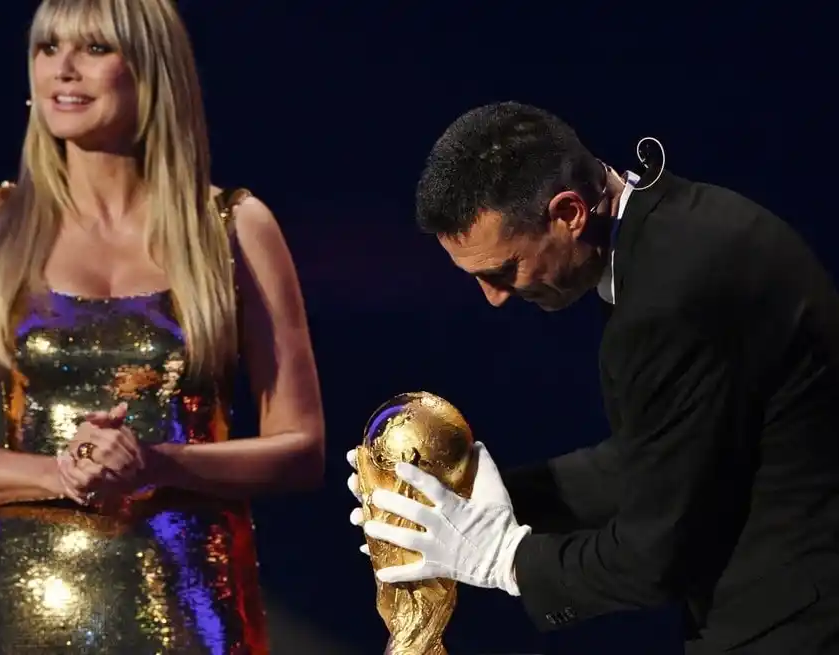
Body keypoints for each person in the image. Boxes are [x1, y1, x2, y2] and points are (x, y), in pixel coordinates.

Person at [347, 101, 839, 654]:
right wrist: (467, 497)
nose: (494, 298)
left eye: (504, 271)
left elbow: (656, 554)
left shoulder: (672, 296)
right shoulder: (673, 237)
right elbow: (659, 456)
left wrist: (504, 558)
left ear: (569, 213)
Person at [0, 0, 324, 652]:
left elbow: (301, 448)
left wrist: (156, 462)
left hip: (189, 596)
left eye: (95, 48)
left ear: (152, 72)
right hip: (26, 603)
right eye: (48, 48)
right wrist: (62, 472)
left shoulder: (233, 228)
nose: (63, 69)